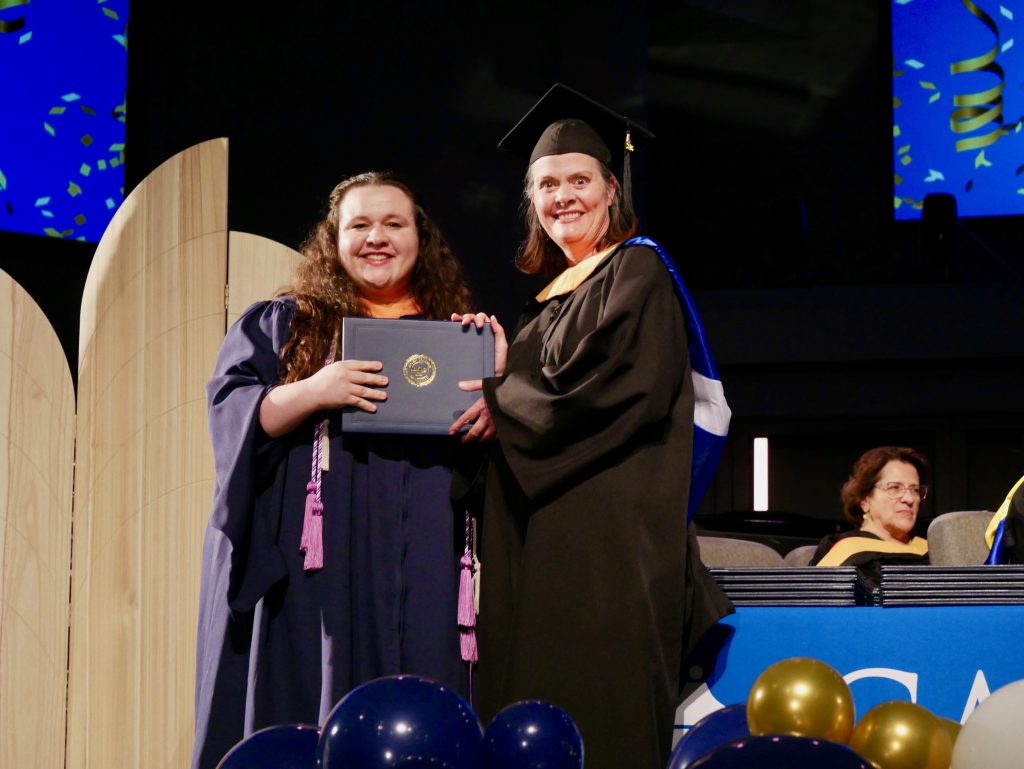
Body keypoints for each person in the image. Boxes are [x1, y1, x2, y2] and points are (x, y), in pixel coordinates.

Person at [452, 83, 733, 769]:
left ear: (612, 188)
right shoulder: (545, 300)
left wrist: (504, 394)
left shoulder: (638, 271)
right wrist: (495, 370)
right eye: (546, 184)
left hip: (608, 547)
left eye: (579, 179)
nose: (562, 196)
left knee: (597, 713)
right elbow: (533, 393)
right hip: (540, 540)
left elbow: (610, 390)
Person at [192, 172, 476, 769]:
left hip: (422, 569)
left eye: (394, 224)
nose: (377, 237)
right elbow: (233, 412)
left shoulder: (453, 338)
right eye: (360, 225)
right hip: (316, 577)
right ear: (334, 238)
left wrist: (494, 388)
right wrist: (313, 390)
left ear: (419, 238)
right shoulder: (286, 322)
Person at [811, 446, 931, 585]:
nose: (909, 499)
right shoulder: (845, 551)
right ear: (864, 500)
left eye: (915, 490)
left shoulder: (932, 551)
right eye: (894, 488)